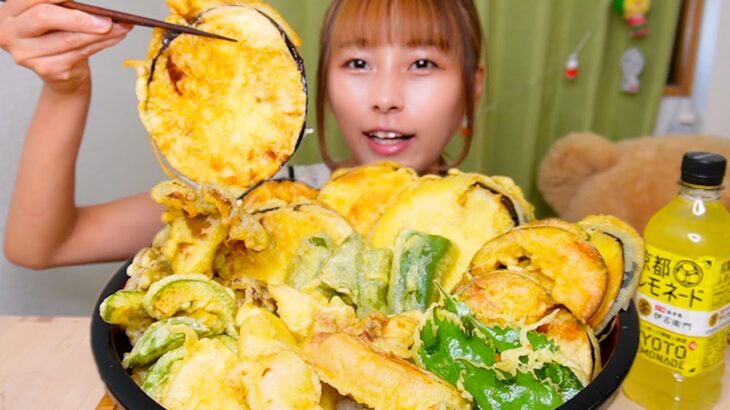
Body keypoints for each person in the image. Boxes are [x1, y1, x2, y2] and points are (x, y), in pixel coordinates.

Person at [0, 0, 484, 269]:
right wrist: (66, 91)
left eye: (422, 63)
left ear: (472, 86)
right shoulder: (250, 202)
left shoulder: (494, 230)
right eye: (357, 63)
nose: (385, 96)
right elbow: (42, 245)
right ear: (318, 81)